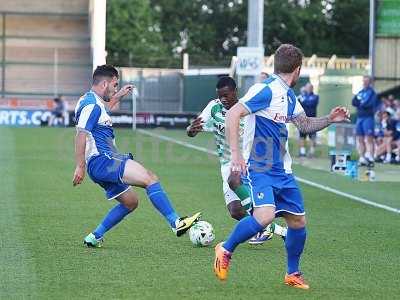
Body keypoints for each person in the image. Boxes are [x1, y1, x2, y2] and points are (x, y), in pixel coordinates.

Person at [213, 44, 350, 289]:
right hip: (260, 168)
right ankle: (225, 248)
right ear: (297, 69)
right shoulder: (265, 90)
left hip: (283, 171)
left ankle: (292, 273)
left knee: (297, 222)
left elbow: (305, 125)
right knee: (263, 216)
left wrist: (330, 119)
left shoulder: (288, 96)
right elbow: (233, 113)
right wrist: (236, 155)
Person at [73, 64, 201, 247]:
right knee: (150, 178)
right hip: (103, 160)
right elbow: (81, 134)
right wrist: (80, 166)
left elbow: (103, 109)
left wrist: (118, 95)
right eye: (115, 85)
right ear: (104, 84)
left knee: (130, 202)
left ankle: (95, 236)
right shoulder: (92, 105)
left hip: (100, 163)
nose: (116, 88)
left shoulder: (89, 100)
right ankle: (176, 223)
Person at [186, 76, 287, 244]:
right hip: (226, 164)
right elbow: (195, 127)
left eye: (227, 95)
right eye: (220, 96)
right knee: (235, 211)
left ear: (235, 92)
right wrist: (191, 130)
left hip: (248, 163)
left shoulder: (247, 108)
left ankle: (267, 227)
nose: (223, 99)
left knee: (240, 189)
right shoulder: (214, 107)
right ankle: (276, 230)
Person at [352, 76, 378, 166]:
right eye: (363, 81)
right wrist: (361, 103)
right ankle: (362, 157)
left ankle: (371, 157)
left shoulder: (372, 93)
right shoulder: (360, 92)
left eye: (366, 81)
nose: (364, 83)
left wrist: (360, 103)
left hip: (368, 117)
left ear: (369, 82)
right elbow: (354, 102)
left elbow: (369, 104)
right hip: (360, 117)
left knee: (369, 138)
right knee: (360, 138)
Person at [298, 83, 319, 157]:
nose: (308, 89)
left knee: (312, 136)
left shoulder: (315, 97)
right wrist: (302, 96)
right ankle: (302, 152)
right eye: (307, 87)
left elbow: (311, 104)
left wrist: (303, 99)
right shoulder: (301, 96)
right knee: (302, 136)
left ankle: (311, 152)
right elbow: (298, 104)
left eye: (309, 87)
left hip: (312, 119)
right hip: (302, 119)